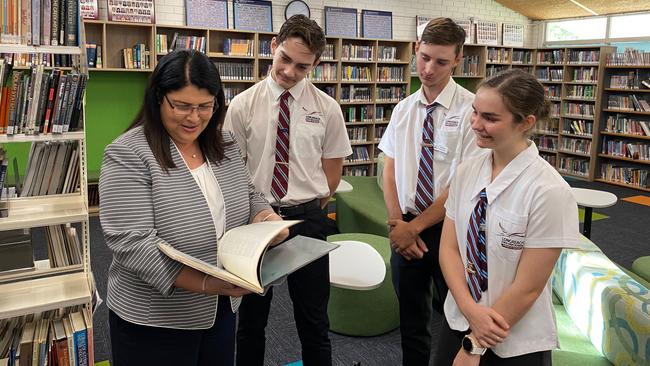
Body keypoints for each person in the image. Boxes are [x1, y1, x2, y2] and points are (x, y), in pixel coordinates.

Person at [99, 49, 287, 366]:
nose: (194, 118)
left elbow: (250, 193)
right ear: (158, 99)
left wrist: (266, 218)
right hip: (155, 320)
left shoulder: (223, 142)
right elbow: (131, 243)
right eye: (182, 106)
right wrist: (205, 283)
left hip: (221, 308)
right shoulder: (128, 154)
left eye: (205, 106)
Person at [224, 14, 352, 366]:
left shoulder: (327, 109)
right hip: (254, 221)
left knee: (314, 321)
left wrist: (304, 206)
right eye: (285, 59)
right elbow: (233, 171)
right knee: (250, 320)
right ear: (273, 46)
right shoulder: (242, 105)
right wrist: (260, 211)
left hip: (307, 220)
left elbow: (331, 175)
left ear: (315, 64)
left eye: (302, 66)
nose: (290, 72)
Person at [435, 69, 580, 366]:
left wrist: (474, 345)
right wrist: (469, 309)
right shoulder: (466, 171)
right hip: (460, 320)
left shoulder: (549, 191)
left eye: (490, 118)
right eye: (474, 112)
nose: (475, 124)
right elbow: (449, 249)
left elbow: (528, 288)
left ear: (525, 123)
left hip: (513, 337)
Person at [377, 17, 483, 365]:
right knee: (411, 315)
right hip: (404, 224)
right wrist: (397, 223)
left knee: (457, 314)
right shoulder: (403, 108)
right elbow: (389, 167)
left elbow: (462, 185)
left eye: (440, 61)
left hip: (451, 227)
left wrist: (415, 228)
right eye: (423, 57)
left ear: (457, 59)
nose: (428, 68)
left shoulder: (472, 112)